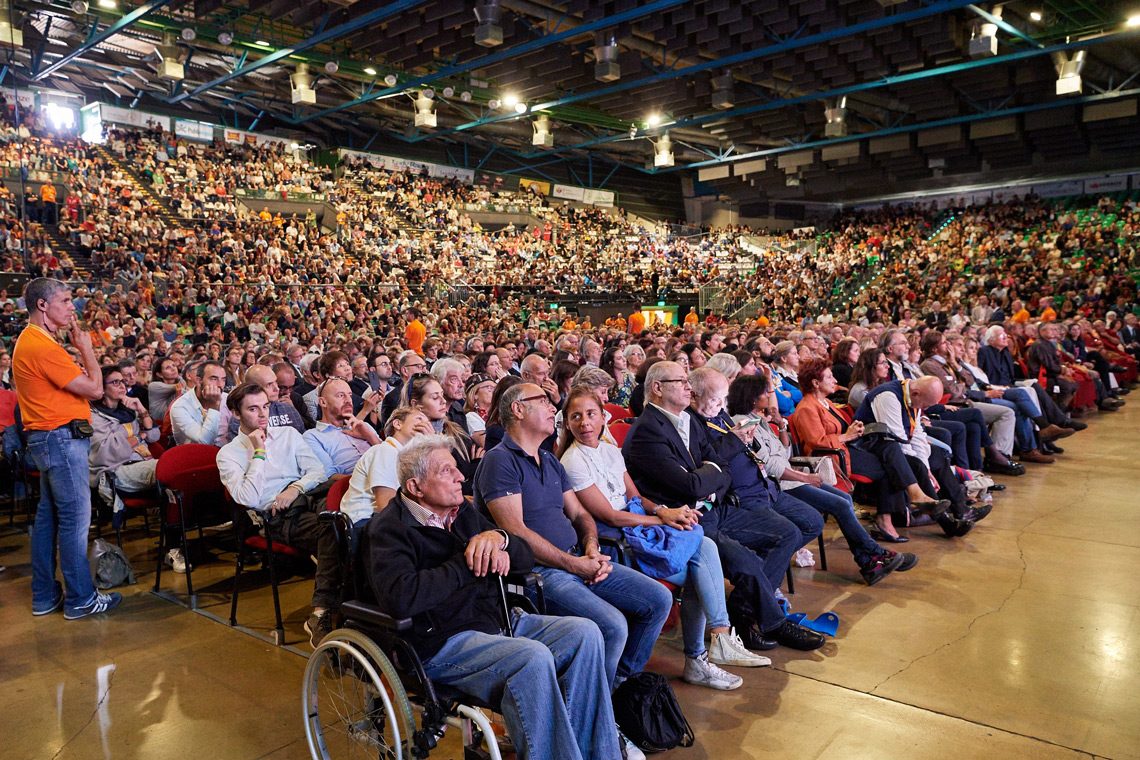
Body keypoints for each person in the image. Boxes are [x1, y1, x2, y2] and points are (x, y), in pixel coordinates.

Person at [370, 435, 624, 760]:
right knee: (531, 658)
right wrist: (466, 561)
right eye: (447, 472)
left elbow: (522, 559)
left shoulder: (461, 512)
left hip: (496, 621)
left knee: (585, 633)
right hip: (443, 642)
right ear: (416, 487)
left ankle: (600, 754)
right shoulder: (390, 529)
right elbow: (401, 598)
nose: (461, 477)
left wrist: (500, 538)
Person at [558, 387, 769, 690]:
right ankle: (705, 651)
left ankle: (714, 643)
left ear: (603, 416)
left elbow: (634, 497)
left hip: (637, 529)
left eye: (591, 414)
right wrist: (660, 518)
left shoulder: (608, 449)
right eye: (575, 417)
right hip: (618, 541)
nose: (584, 423)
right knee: (702, 564)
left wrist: (663, 510)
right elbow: (610, 516)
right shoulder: (572, 461)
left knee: (703, 549)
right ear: (566, 423)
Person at [474, 382, 674, 698]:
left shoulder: (549, 459)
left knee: (657, 600)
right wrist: (576, 565)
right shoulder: (500, 462)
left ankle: (615, 687)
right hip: (539, 575)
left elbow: (580, 515)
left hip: (577, 559)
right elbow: (517, 533)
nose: (554, 406)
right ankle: (597, 711)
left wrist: (591, 547)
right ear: (518, 408)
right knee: (612, 626)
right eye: (543, 399)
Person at [622, 361, 825, 652]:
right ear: (657, 388)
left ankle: (748, 613)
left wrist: (709, 473)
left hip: (713, 509)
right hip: (684, 519)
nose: (688, 387)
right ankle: (773, 623)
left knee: (787, 533)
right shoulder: (647, 431)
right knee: (747, 562)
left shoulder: (684, 420)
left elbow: (722, 468)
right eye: (680, 381)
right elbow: (691, 486)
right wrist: (710, 473)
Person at [726, 372, 916, 585]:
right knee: (840, 505)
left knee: (845, 501)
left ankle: (870, 560)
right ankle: (873, 556)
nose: (770, 395)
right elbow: (771, 466)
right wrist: (805, 478)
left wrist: (781, 426)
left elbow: (784, 453)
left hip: (791, 477)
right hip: (781, 484)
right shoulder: (743, 424)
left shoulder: (759, 420)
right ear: (753, 398)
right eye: (765, 392)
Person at [13, 278, 122, 619]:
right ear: (43, 305)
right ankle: (80, 599)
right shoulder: (41, 345)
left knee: (49, 520)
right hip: (60, 439)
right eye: (64, 300)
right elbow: (93, 389)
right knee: (76, 521)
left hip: (50, 439)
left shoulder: (36, 341)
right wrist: (86, 348)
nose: (71, 307)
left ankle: (44, 596)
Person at [216, 383, 338, 647]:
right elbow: (246, 498)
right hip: (275, 516)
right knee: (335, 529)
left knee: (349, 519)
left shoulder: (288, 435)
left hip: (305, 496)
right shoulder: (228, 454)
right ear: (236, 414)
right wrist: (258, 452)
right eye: (253, 409)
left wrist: (294, 488)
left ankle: (344, 605)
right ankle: (322, 612)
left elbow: (317, 471)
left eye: (266, 406)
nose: (263, 414)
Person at [853, 375, 990, 537]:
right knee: (917, 466)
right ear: (917, 393)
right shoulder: (888, 396)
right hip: (872, 446)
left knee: (937, 455)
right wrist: (924, 469)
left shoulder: (912, 396)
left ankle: (962, 510)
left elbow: (916, 434)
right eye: (926, 404)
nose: (925, 408)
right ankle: (946, 522)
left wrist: (927, 467)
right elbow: (897, 438)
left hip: (894, 446)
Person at [342, 407, 434, 524]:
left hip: (383, 520)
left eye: (427, 422)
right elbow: (386, 505)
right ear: (398, 424)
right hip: (365, 523)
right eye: (419, 418)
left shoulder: (407, 458)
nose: (425, 425)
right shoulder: (385, 450)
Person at [302, 378, 380, 480]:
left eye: (350, 395)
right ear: (323, 402)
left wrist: (369, 436)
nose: (348, 400)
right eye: (341, 395)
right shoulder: (313, 436)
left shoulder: (363, 426)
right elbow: (330, 476)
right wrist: (367, 480)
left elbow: (390, 457)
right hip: (356, 487)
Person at [170, 360, 227, 445]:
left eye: (223, 379)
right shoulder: (180, 407)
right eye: (214, 379)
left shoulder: (227, 398)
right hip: (194, 455)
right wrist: (214, 407)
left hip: (225, 453)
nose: (220, 385)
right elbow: (205, 442)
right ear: (198, 380)